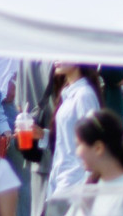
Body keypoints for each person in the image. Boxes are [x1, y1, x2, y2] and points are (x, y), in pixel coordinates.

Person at [31, 64, 103, 199]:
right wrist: (42, 135)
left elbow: (93, 141)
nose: (56, 59)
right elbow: (68, 140)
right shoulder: (69, 92)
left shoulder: (84, 95)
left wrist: (88, 186)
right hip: (62, 179)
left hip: (75, 183)